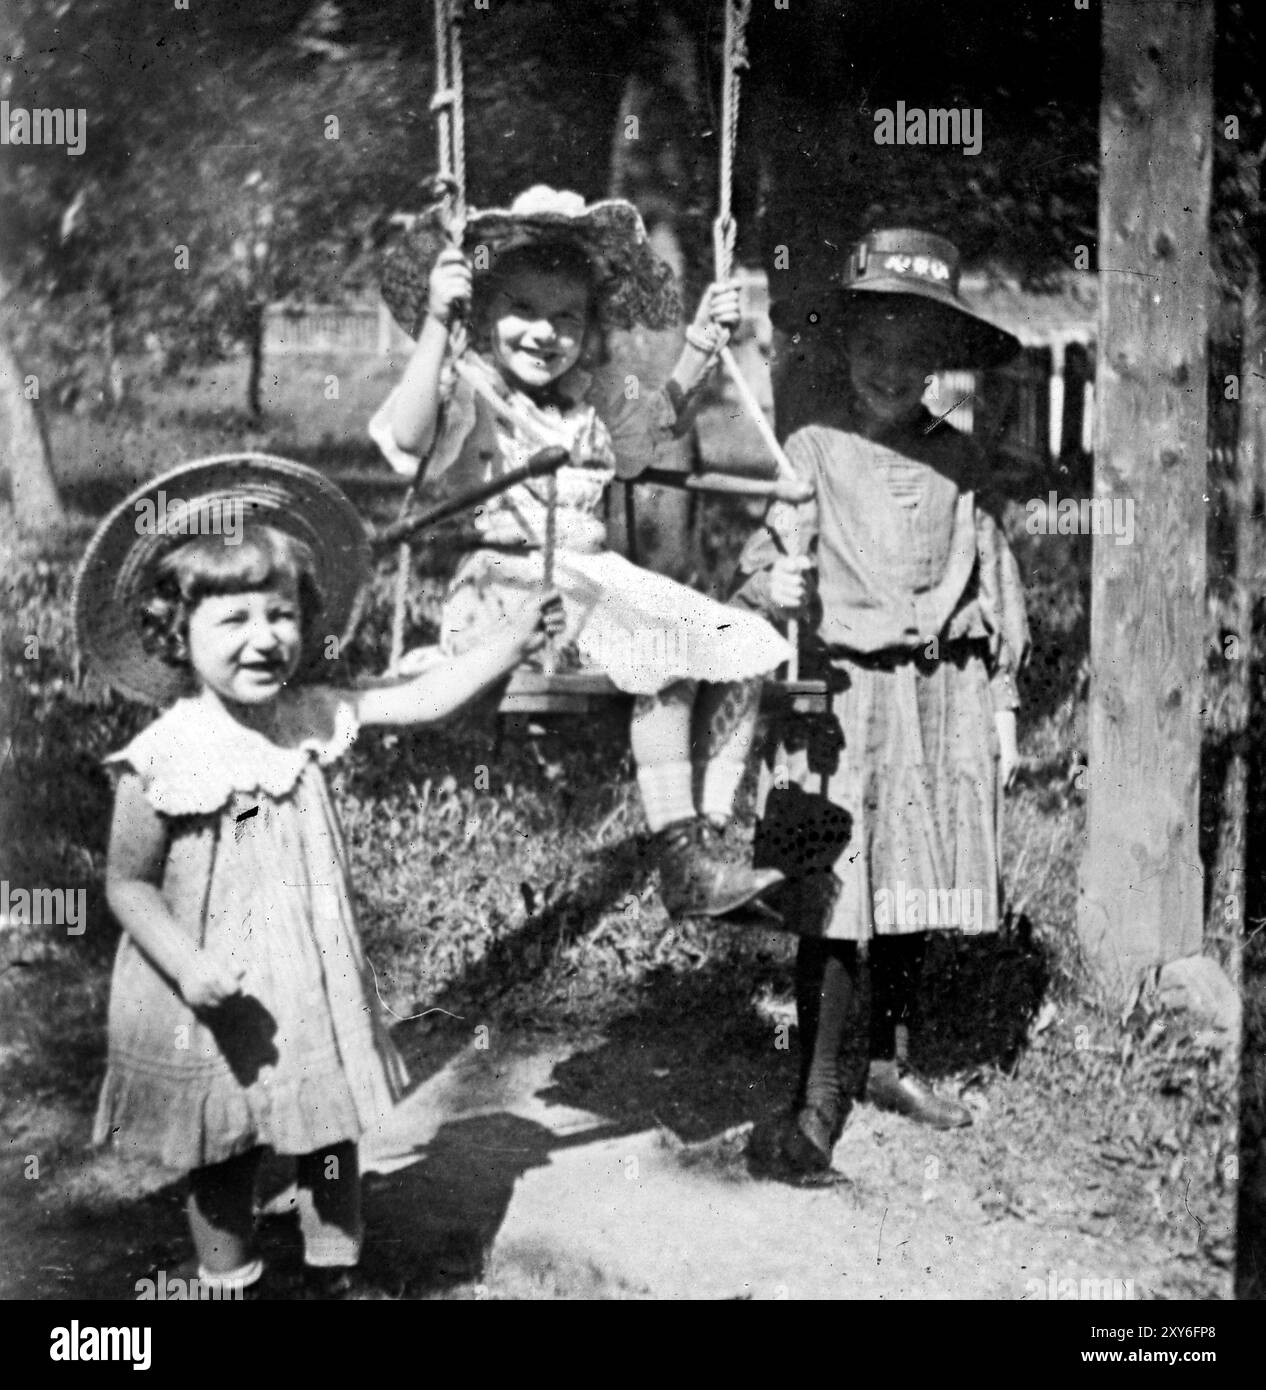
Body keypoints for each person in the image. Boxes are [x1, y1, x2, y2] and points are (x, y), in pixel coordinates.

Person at [74, 456, 564, 1292]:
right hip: (214, 988)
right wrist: (186, 967)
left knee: (329, 1129)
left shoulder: (311, 714)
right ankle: (229, 1278)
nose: (265, 639)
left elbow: (422, 697)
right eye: (233, 620)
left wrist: (510, 641)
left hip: (307, 975)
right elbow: (128, 883)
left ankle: (335, 1273)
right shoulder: (162, 756)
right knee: (221, 1144)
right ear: (173, 631)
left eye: (282, 615)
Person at [372, 185, 792, 918]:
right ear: (483, 310)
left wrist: (701, 342)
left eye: (566, 316)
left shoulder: (586, 401)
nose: (545, 333)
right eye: (524, 309)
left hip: (594, 585)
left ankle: (710, 838)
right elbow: (405, 443)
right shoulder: (467, 391)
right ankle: (681, 857)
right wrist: (439, 330)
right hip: (510, 592)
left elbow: (655, 425)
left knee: (746, 645)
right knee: (664, 651)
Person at [733, 228, 1030, 1182]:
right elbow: (765, 556)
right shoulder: (814, 447)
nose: (890, 371)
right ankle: (817, 1098)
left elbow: (993, 584)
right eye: (873, 348)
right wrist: (771, 585)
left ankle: (886, 1063)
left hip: (939, 695)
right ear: (843, 346)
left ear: (940, 363)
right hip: (845, 698)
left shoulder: (963, 463)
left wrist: (1004, 710)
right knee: (836, 892)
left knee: (915, 877)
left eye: (914, 355)